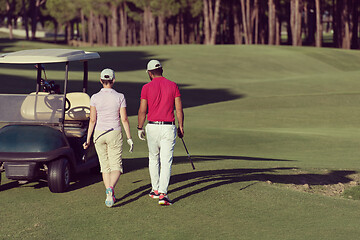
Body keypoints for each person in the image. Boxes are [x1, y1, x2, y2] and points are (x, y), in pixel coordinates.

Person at [83, 68, 133, 208]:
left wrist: (87, 140)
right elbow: (124, 119)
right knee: (116, 167)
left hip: (99, 134)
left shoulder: (94, 97)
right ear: (113, 80)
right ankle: (110, 189)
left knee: (105, 167)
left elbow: (92, 120)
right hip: (114, 133)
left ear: (100, 81)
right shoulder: (120, 96)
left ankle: (109, 194)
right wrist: (129, 137)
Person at [137, 60, 184, 206]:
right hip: (169, 127)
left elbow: (142, 110)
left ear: (150, 73)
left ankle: (155, 190)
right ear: (162, 70)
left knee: (153, 158)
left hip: (152, 127)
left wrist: (139, 127)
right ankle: (163, 194)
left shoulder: (146, 87)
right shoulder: (173, 85)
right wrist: (181, 127)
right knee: (166, 161)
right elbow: (179, 110)